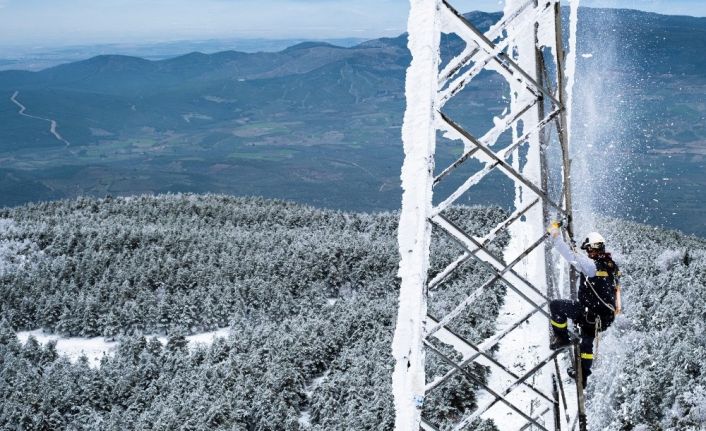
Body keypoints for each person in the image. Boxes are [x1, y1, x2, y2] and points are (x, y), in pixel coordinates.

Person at [546, 223, 622, 388]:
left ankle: (561, 337)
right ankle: (582, 376)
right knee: (586, 341)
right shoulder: (611, 266)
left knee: (556, 306)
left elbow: (569, 255)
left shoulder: (591, 266)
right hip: (603, 318)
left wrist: (555, 235)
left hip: (588, 314)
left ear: (593, 248)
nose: (588, 253)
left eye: (589, 250)